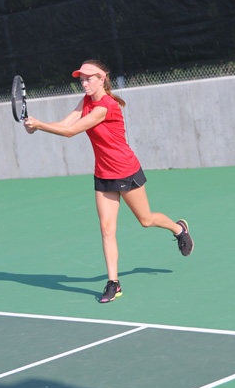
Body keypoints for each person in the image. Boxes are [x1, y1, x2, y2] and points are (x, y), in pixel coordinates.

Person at [24, 59, 194, 303]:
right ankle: (114, 283)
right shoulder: (85, 102)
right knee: (107, 229)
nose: (83, 83)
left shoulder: (107, 106)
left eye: (88, 78)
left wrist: (40, 125)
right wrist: (38, 127)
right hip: (103, 174)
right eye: (81, 79)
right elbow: (63, 125)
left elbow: (72, 132)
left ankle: (179, 229)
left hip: (125, 170)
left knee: (145, 220)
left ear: (102, 78)